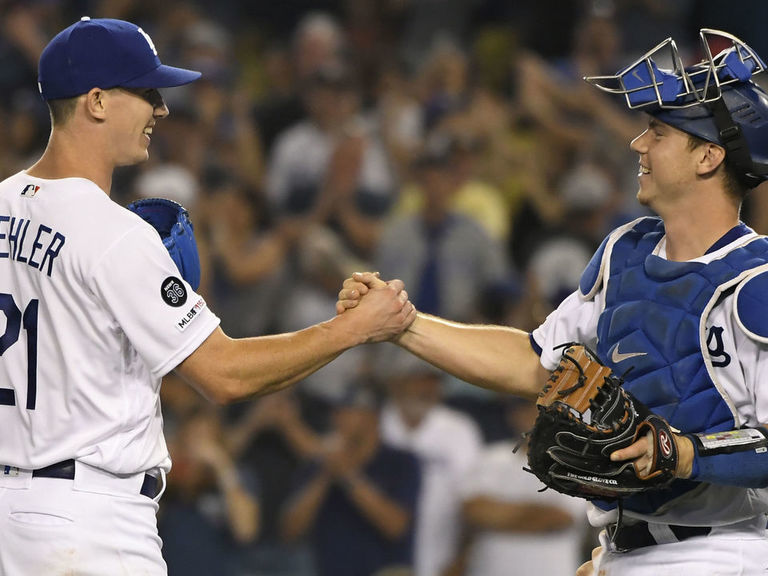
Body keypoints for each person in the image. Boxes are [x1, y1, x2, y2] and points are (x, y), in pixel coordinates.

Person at [339, 29, 768, 575]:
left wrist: (684, 452)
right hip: (624, 549)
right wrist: (401, 323)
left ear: (709, 156)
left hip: (721, 550)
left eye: (659, 132)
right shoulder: (626, 254)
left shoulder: (756, 280)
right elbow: (533, 362)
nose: (638, 144)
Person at [0, 17, 415, 576]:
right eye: (146, 92)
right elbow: (224, 375)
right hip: (89, 523)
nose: (161, 109)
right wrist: (352, 329)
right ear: (96, 102)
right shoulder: (113, 233)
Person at [279, 385, 421, 576]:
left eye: (347, 411)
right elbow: (290, 532)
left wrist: (348, 476)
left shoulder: (400, 462)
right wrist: (325, 476)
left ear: (373, 416)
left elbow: (396, 527)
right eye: (336, 411)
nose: (338, 418)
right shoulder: (319, 464)